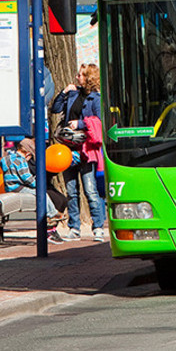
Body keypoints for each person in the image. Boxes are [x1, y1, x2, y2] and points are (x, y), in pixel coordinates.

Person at [51, 64, 106, 242]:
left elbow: (99, 120)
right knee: (71, 190)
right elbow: (55, 108)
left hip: (85, 149)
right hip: (69, 148)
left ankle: (98, 226)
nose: (77, 77)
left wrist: (80, 124)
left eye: (81, 75)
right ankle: (74, 228)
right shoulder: (73, 94)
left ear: (89, 78)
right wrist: (64, 92)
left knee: (90, 190)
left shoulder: (95, 99)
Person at [0, 138, 66, 242]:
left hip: (10, 187)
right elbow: (26, 178)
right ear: (27, 153)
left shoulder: (7, 158)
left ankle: (52, 214)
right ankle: (52, 213)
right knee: (42, 195)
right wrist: (38, 185)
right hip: (19, 188)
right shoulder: (20, 161)